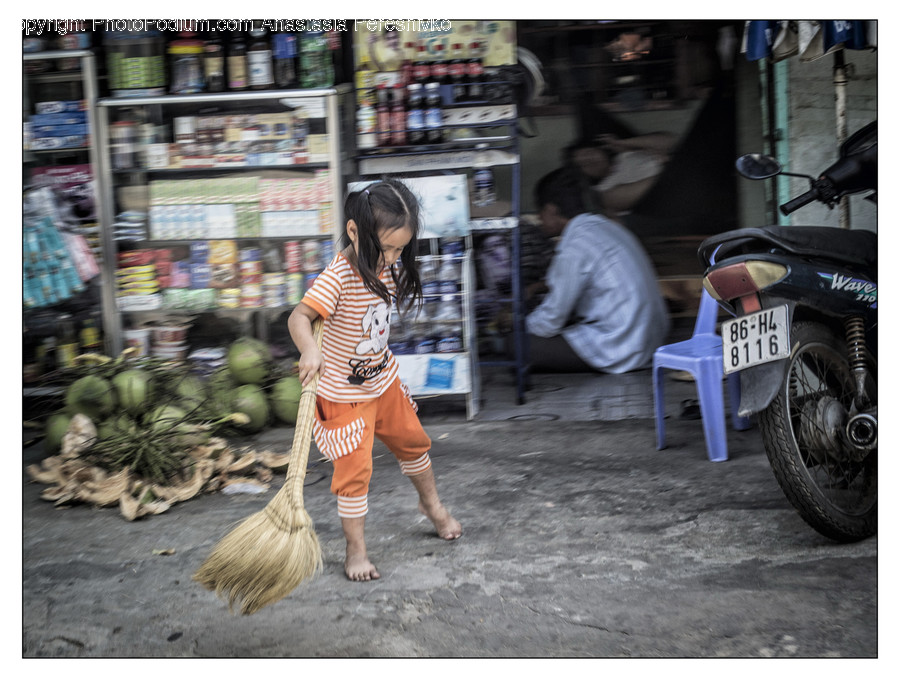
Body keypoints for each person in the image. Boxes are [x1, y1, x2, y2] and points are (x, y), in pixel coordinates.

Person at [287, 179, 462, 582]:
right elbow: (299, 317)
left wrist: (388, 258)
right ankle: (356, 549)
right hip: (342, 395)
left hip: (383, 383)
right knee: (354, 473)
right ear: (354, 231)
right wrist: (309, 350)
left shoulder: (384, 263)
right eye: (387, 248)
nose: (394, 257)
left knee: (414, 444)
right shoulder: (338, 276)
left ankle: (431, 505)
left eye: (401, 248)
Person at [526, 167, 670, 373]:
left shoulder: (573, 246)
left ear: (551, 210)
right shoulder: (607, 227)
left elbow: (550, 321)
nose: (539, 219)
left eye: (539, 212)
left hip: (621, 347)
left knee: (517, 345)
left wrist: (520, 323)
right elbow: (573, 280)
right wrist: (538, 288)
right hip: (650, 339)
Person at [565, 132, 676, 219]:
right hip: (673, 191)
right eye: (583, 164)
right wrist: (669, 172)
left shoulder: (625, 155)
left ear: (602, 149)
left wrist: (623, 143)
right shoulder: (601, 191)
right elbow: (612, 201)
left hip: (683, 170)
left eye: (588, 154)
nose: (590, 162)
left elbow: (670, 141)